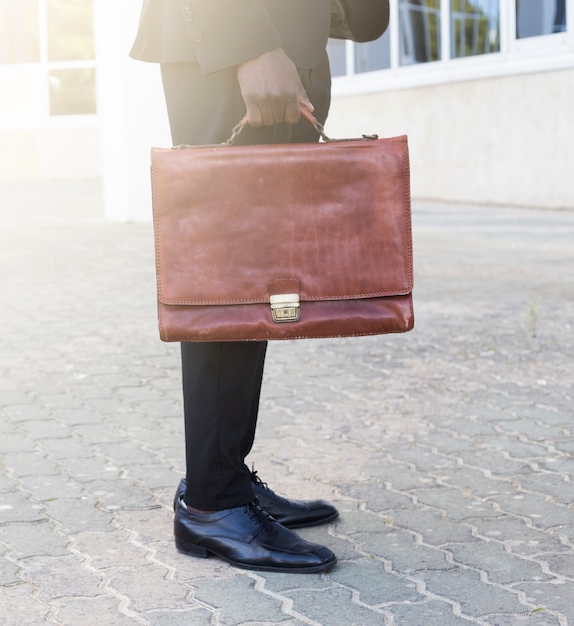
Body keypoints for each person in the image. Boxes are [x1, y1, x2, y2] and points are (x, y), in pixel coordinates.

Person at [130, 0, 389, 573]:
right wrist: (246, 43)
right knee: (224, 273)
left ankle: (221, 473)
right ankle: (212, 503)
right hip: (233, 44)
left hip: (285, 42)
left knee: (253, 271)